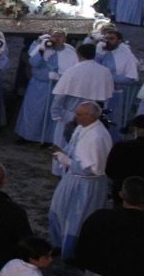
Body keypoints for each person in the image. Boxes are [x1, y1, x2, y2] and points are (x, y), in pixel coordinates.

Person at [48, 101, 112, 258]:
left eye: (80, 114)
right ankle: (60, 245)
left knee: (77, 218)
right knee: (59, 211)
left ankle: (72, 252)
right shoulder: (82, 128)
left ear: (92, 116)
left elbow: (92, 168)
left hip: (85, 184)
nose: (76, 117)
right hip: (73, 179)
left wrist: (66, 160)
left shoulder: (96, 136)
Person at [47, 40, 112, 147]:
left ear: (78, 55)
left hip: (69, 116)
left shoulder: (72, 70)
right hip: (92, 117)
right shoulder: (105, 72)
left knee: (63, 144)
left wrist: (56, 114)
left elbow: (60, 96)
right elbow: (105, 98)